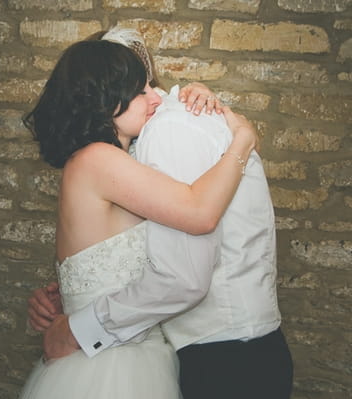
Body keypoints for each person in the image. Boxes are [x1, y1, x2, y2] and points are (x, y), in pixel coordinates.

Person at [28, 28, 293, 399]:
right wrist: (243, 141)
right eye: (140, 90)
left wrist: (68, 296)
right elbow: (199, 211)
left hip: (132, 349)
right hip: (114, 364)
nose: (156, 96)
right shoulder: (98, 160)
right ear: (105, 99)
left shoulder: (113, 160)